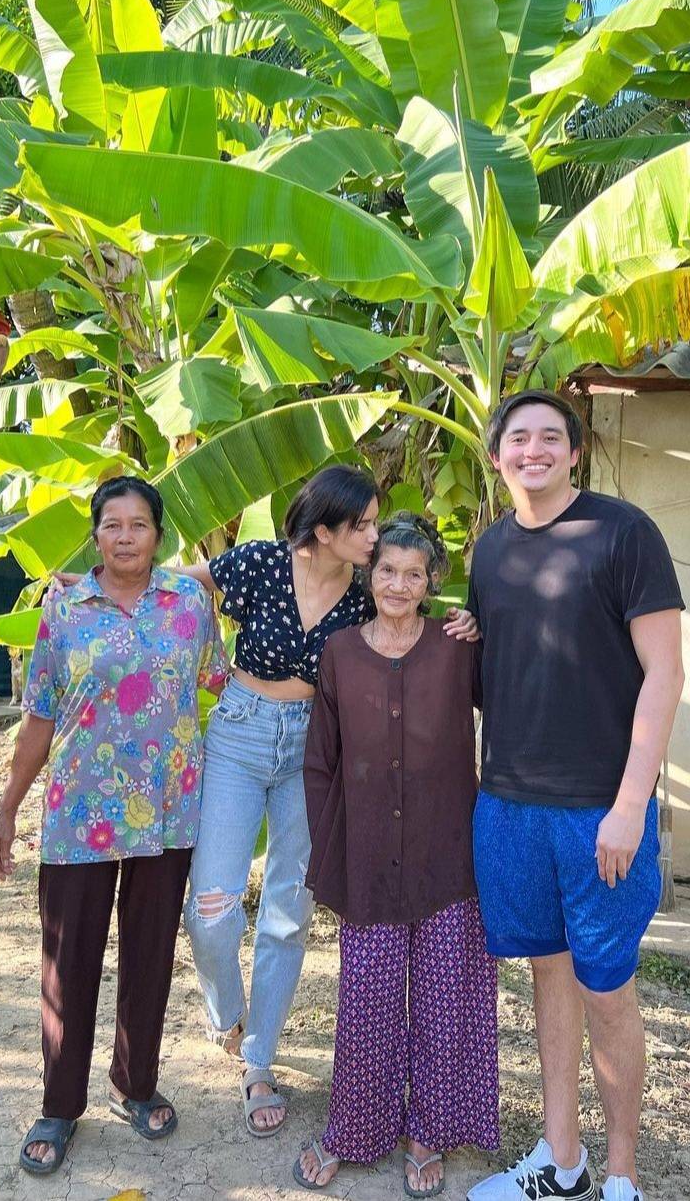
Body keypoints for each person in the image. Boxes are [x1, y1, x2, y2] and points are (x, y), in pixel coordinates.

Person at [181, 467, 480, 1137]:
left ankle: (258, 1063)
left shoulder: (364, 594)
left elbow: (412, 619)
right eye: (365, 525)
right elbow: (178, 587)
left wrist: (465, 620)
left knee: (289, 912)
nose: (375, 538)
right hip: (238, 733)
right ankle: (225, 1013)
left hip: (315, 752)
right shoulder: (258, 563)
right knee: (212, 908)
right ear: (325, 530)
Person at [466, 390, 685, 1201]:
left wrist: (632, 804)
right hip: (510, 805)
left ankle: (621, 1174)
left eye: (549, 438)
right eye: (518, 439)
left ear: (573, 453)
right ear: (498, 458)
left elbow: (665, 673)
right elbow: (498, 658)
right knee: (547, 975)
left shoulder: (623, 533)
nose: (533, 450)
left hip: (600, 807)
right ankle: (562, 1161)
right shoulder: (488, 551)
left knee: (606, 989)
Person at [0, 477, 228, 1177]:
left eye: (140, 525)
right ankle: (59, 1106)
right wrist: (7, 808)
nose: (126, 537)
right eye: (113, 525)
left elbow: (223, 682)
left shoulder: (189, 604)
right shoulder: (63, 610)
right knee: (69, 963)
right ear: (96, 535)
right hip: (78, 816)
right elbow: (38, 718)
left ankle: (136, 1084)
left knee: (150, 958)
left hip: (168, 814)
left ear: (160, 535)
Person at [296, 513, 499, 1197]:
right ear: (368, 572)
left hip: (449, 856)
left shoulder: (455, 646)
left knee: (448, 1001)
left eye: (415, 573)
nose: (400, 584)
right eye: (387, 570)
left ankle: (428, 1135)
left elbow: (509, 696)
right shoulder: (341, 652)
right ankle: (355, 1132)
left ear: (432, 580)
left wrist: (479, 626)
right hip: (368, 859)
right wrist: (330, 853)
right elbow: (320, 761)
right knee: (368, 1001)